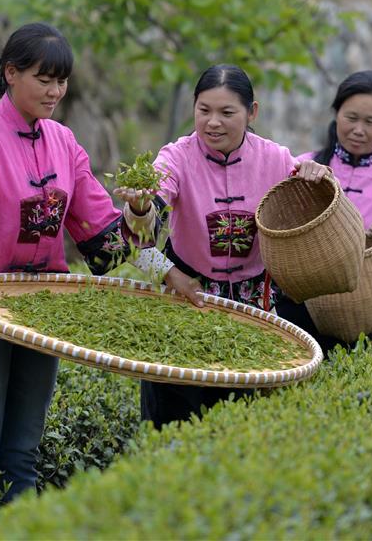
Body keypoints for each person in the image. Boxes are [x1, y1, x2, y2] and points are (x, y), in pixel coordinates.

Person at [0, 22, 197, 502]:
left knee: (22, 454)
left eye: (62, 81)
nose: (55, 91)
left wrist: (148, 230)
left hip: (42, 312)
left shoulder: (64, 141)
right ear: (11, 74)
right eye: (43, 79)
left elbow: (104, 238)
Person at [139, 64, 331, 430]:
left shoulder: (275, 158)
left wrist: (319, 177)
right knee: (175, 422)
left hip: (254, 312)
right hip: (186, 302)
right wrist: (167, 271)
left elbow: (318, 204)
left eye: (227, 113)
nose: (213, 123)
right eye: (204, 111)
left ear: (251, 112)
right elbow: (133, 239)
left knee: (244, 424)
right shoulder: (174, 158)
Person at [276, 69, 372, 356]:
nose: (359, 130)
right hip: (296, 312)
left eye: (371, 122)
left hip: (356, 315)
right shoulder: (305, 166)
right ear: (336, 113)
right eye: (351, 118)